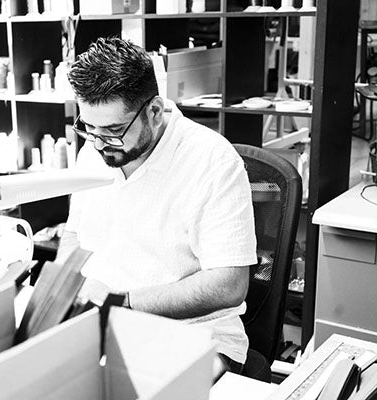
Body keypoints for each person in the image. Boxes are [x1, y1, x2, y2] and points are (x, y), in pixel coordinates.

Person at [56, 37, 257, 373]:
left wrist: (123, 302)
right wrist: (65, 285)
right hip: (101, 323)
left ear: (154, 112)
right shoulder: (94, 150)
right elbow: (75, 236)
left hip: (193, 334)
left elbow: (229, 285)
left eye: (114, 130)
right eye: (89, 128)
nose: (100, 144)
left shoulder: (212, 160)